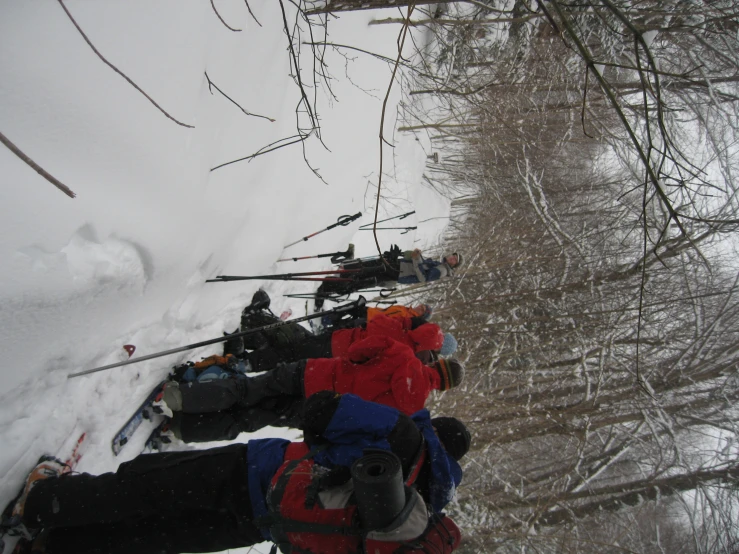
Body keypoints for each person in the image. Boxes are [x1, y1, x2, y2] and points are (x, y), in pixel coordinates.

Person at [4, 392, 469, 554]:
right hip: (275, 524)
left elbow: (326, 414)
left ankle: (43, 502)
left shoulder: (405, 435)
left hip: (263, 472)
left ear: (436, 430)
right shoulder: (420, 519)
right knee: (161, 536)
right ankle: (56, 545)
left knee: (146, 490)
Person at [157, 335, 465, 418]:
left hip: (316, 374)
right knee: (254, 416)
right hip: (322, 406)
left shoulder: (403, 354)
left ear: (438, 364)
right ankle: (187, 428)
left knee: (252, 388)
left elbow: (358, 350)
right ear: (443, 387)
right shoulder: (412, 409)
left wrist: (348, 365)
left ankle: (185, 398)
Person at [313, 246, 463, 309]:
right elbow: (420, 264)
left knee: (367, 276)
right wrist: (412, 254)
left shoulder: (442, 270)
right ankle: (341, 276)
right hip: (398, 268)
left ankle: (331, 285)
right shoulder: (439, 264)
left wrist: (416, 258)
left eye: (454, 261)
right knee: (368, 272)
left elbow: (423, 278)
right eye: (453, 256)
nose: (452, 259)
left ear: (454, 266)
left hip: (398, 272)